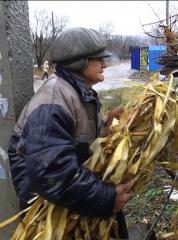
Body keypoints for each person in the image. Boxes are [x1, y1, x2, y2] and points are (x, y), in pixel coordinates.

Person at [8, 27, 134, 239]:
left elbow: (70, 140)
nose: (104, 63)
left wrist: (102, 129)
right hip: (48, 210)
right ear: (80, 62)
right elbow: (51, 171)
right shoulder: (54, 98)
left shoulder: (78, 90)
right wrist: (106, 198)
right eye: (98, 59)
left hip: (65, 199)